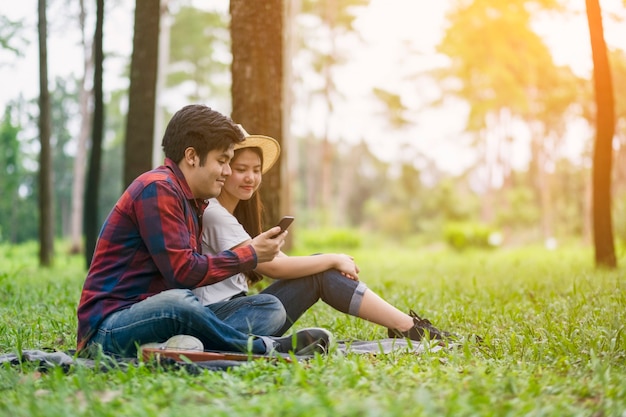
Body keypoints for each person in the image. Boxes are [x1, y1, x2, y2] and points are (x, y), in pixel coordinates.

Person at [76, 105, 332, 358]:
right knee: (177, 303)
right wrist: (250, 254)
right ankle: (266, 347)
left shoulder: (193, 201)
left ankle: (181, 347)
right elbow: (183, 272)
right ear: (191, 156)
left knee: (268, 308)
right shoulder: (157, 188)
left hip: (163, 321)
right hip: (110, 328)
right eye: (222, 161)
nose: (228, 171)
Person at [192, 126, 455, 343]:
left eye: (256, 169)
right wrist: (332, 258)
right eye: (241, 169)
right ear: (224, 170)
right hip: (224, 320)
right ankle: (408, 327)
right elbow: (275, 267)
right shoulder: (215, 215)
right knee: (319, 272)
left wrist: (328, 259)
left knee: (318, 272)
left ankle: (407, 326)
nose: (250, 177)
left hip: (242, 311)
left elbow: (279, 260)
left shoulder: (231, 216)